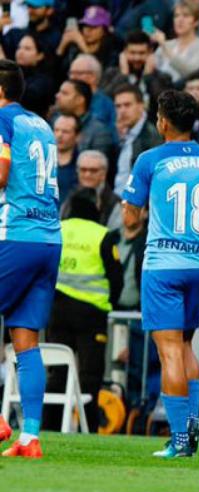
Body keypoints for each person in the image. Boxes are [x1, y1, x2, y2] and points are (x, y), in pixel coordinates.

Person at [121, 90, 199, 459]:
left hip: (164, 266)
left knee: (168, 351)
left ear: (163, 121)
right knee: (186, 346)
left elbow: (129, 219)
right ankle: (193, 425)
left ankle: (180, 438)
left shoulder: (149, 159)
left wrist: (140, 216)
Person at [0, 59, 62, 459]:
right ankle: (30, 437)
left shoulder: (2, 119)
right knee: (26, 342)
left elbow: (2, 171)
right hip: (48, 237)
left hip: (16, 234)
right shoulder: (40, 124)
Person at [48, 188, 123, 432]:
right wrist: (110, 303)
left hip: (56, 311)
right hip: (91, 315)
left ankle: (50, 426)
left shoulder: (57, 230)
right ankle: (89, 428)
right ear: (96, 208)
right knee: (90, 375)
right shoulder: (103, 235)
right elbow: (116, 277)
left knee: (58, 372)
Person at [113, 84, 163, 197]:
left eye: (127, 105)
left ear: (141, 106)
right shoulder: (119, 132)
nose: (122, 111)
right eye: (118, 106)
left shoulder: (152, 137)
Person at [153, 0, 199, 83]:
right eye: (176, 16)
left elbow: (191, 72)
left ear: (196, 21)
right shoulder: (167, 44)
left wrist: (164, 46)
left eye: (186, 15)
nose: (180, 20)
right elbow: (151, 71)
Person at [54, 115, 80, 205]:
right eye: (56, 130)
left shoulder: (82, 165)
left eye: (65, 132)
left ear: (77, 136)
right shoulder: (43, 160)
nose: (59, 135)